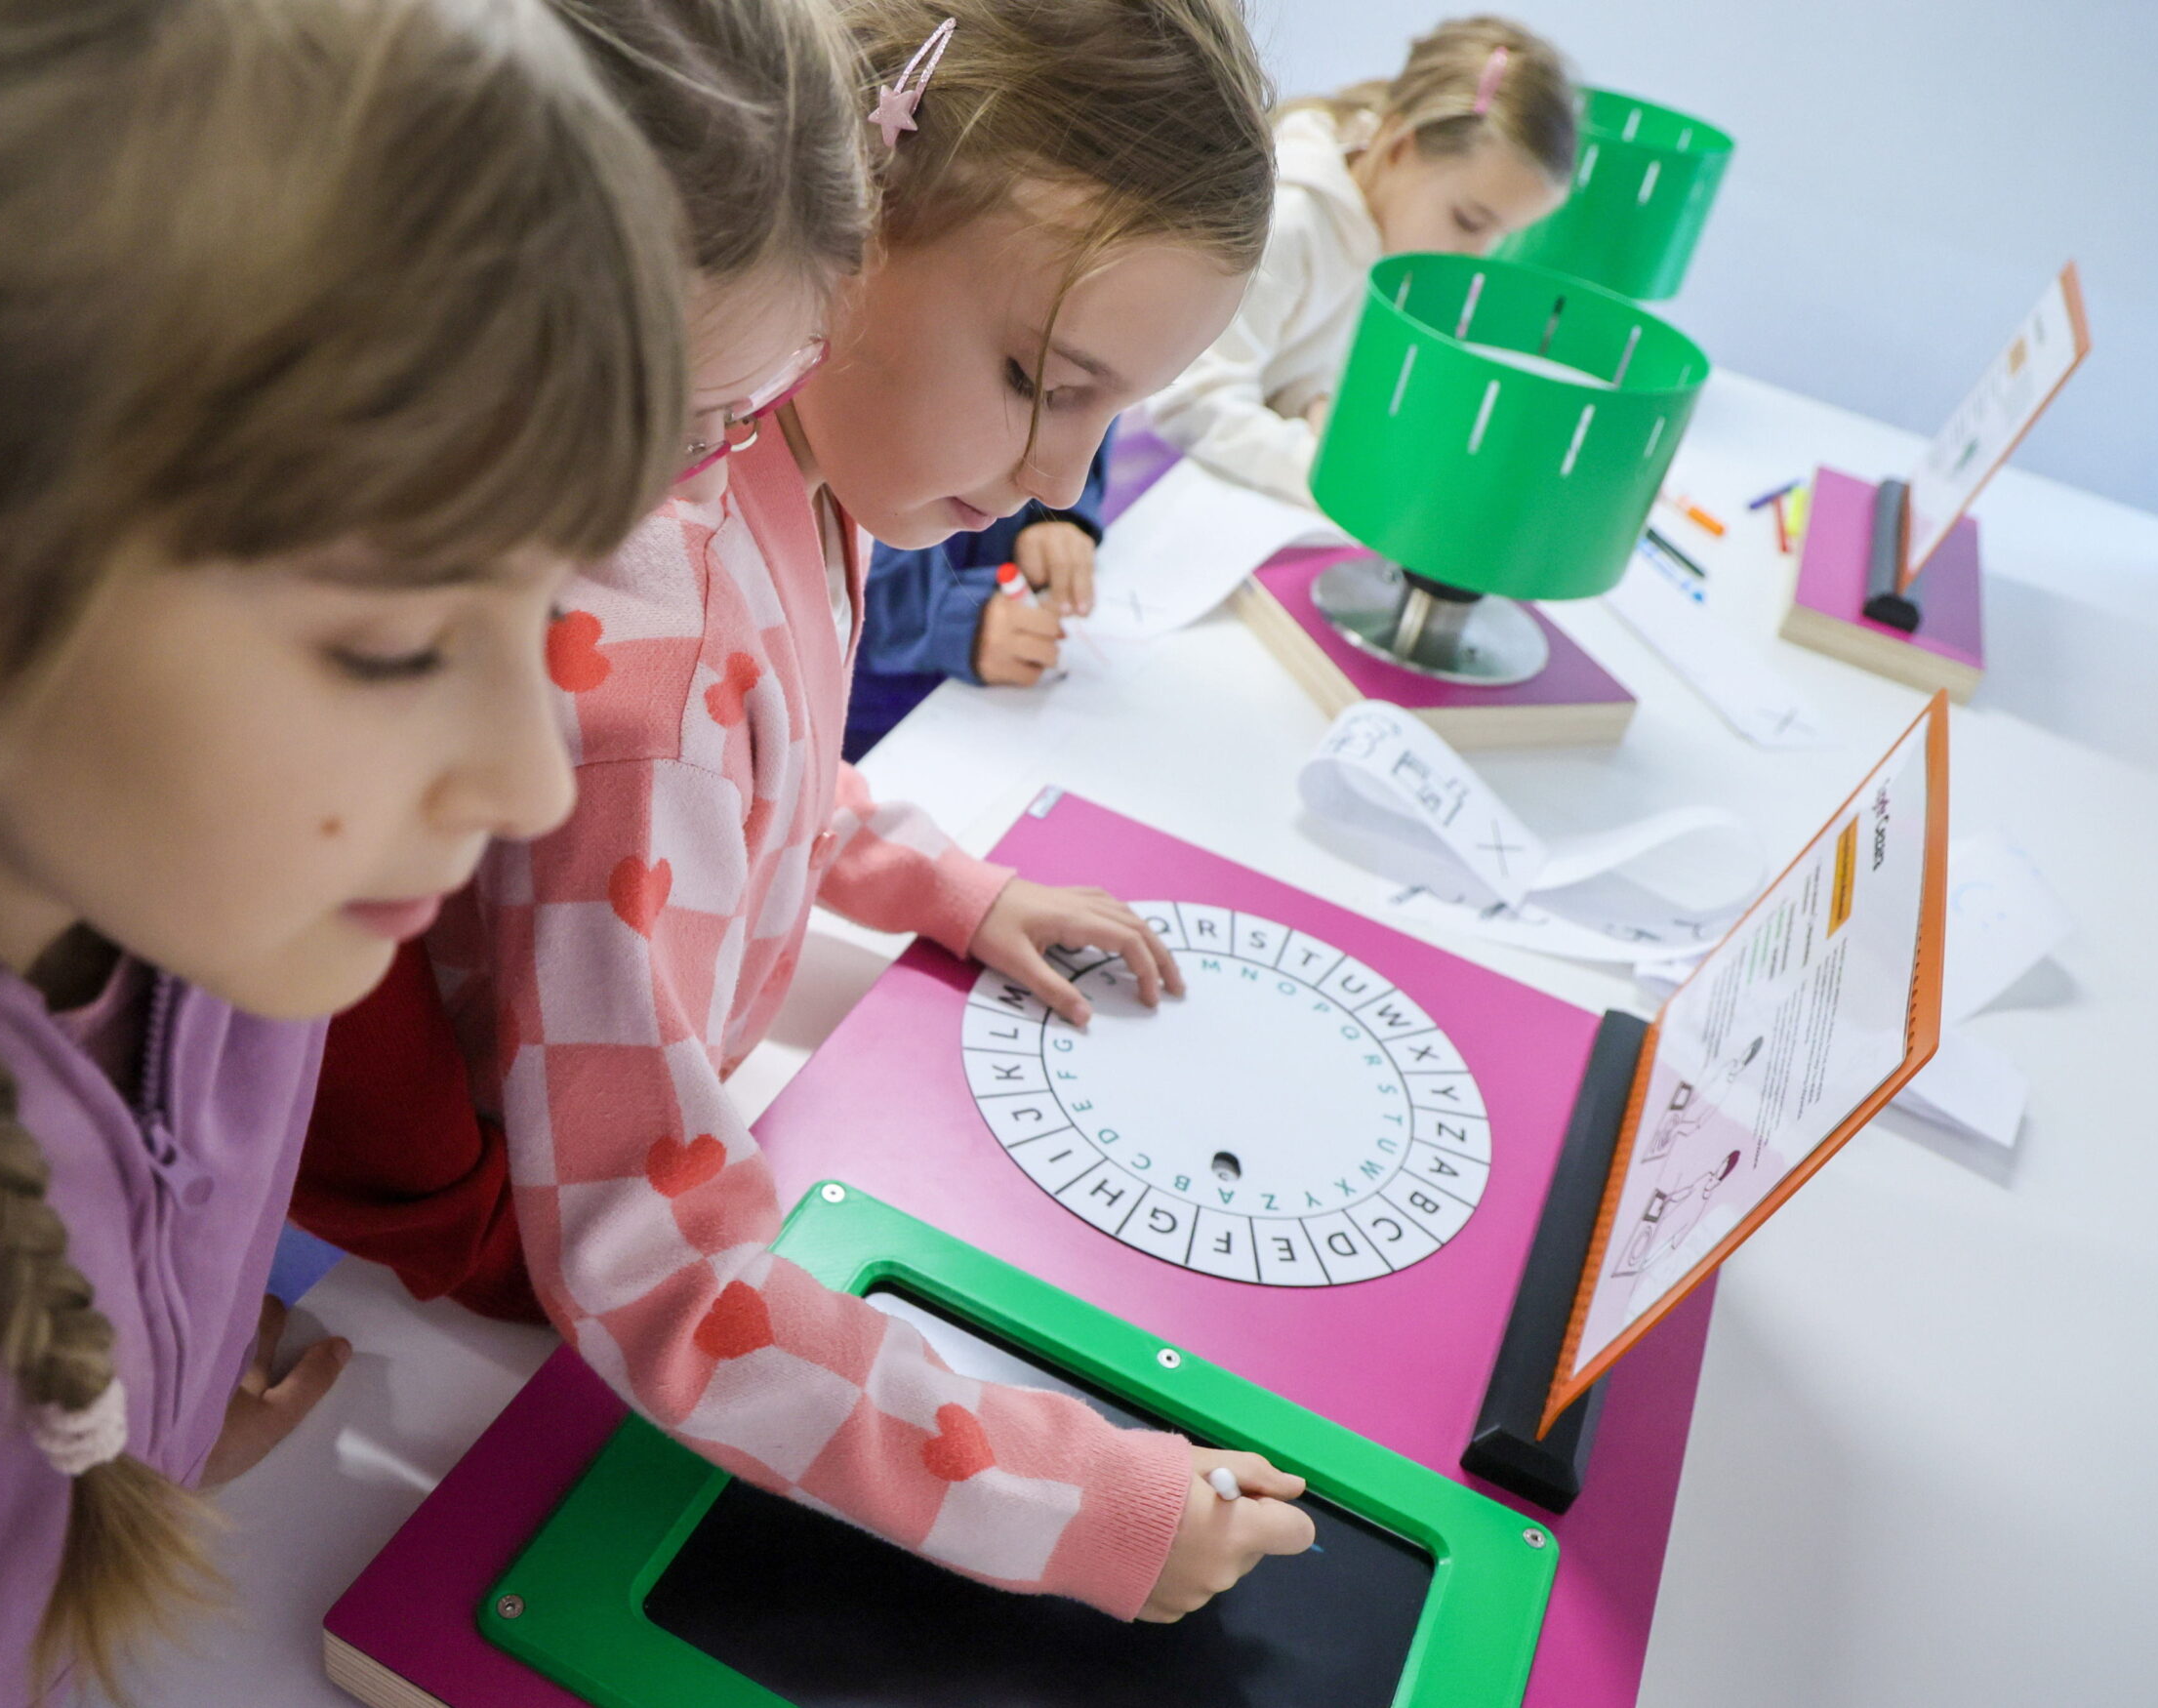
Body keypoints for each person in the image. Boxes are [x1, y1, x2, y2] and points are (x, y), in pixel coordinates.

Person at [0, 0, 688, 1700]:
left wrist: (108, 1450)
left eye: (547, 606)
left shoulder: (206, 888)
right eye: (392, 646)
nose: (529, 782)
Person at [299, 0, 1320, 1627]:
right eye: (1040, 383)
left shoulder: (796, 461)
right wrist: (1091, 1509)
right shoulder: (658, 650)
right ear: (849, 224)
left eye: (1107, 411)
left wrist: (944, 884)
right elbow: (658, 1278)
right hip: (507, 1270)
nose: (1063, 481)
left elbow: (769, 772)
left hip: (623, 1153)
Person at [1147, 15, 1577, 509]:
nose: (1477, 256)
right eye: (1468, 221)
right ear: (1399, 145)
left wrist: (1312, 402)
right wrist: (1347, 477)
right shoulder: (1291, 219)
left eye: (1501, 236)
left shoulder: (1387, 230)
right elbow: (1189, 403)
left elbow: (1288, 360)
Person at [841, 427, 1115, 761]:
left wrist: (1055, 514)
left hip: (983, 705)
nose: (1065, 491)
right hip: (867, 718)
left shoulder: (1056, 489)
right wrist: (940, 616)